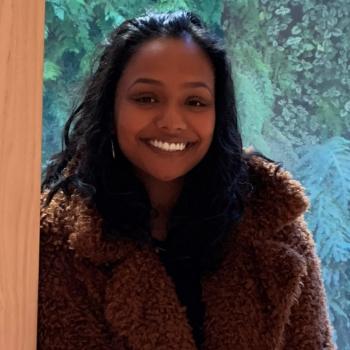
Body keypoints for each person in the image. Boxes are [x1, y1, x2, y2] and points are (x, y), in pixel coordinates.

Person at [38, 10, 335, 350]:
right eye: (146, 98)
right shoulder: (54, 242)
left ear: (217, 113)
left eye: (195, 101)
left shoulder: (274, 226)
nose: (172, 122)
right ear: (110, 106)